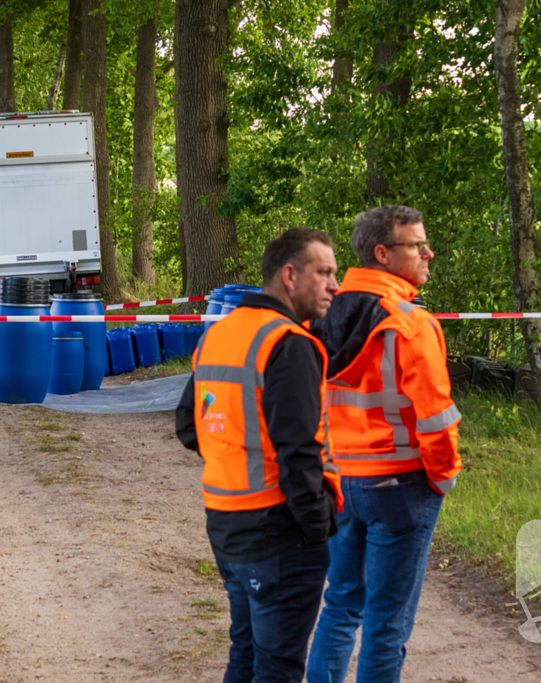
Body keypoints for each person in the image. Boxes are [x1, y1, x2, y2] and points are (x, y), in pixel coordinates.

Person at [176, 228, 344, 683]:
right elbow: (300, 452)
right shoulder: (290, 344)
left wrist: (234, 456)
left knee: (247, 653)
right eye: (324, 272)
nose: (335, 285)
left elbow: (188, 426)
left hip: (225, 520)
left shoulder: (220, 335)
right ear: (290, 276)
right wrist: (319, 527)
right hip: (279, 535)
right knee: (278, 668)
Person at [306, 205, 462, 683]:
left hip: (341, 480)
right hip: (403, 485)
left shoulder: (322, 315)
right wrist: (443, 477)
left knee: (341, 604)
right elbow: (435, 418)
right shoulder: (410, 323)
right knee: (386, 623)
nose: (428, 253)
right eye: (417, 245)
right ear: (383, 254)